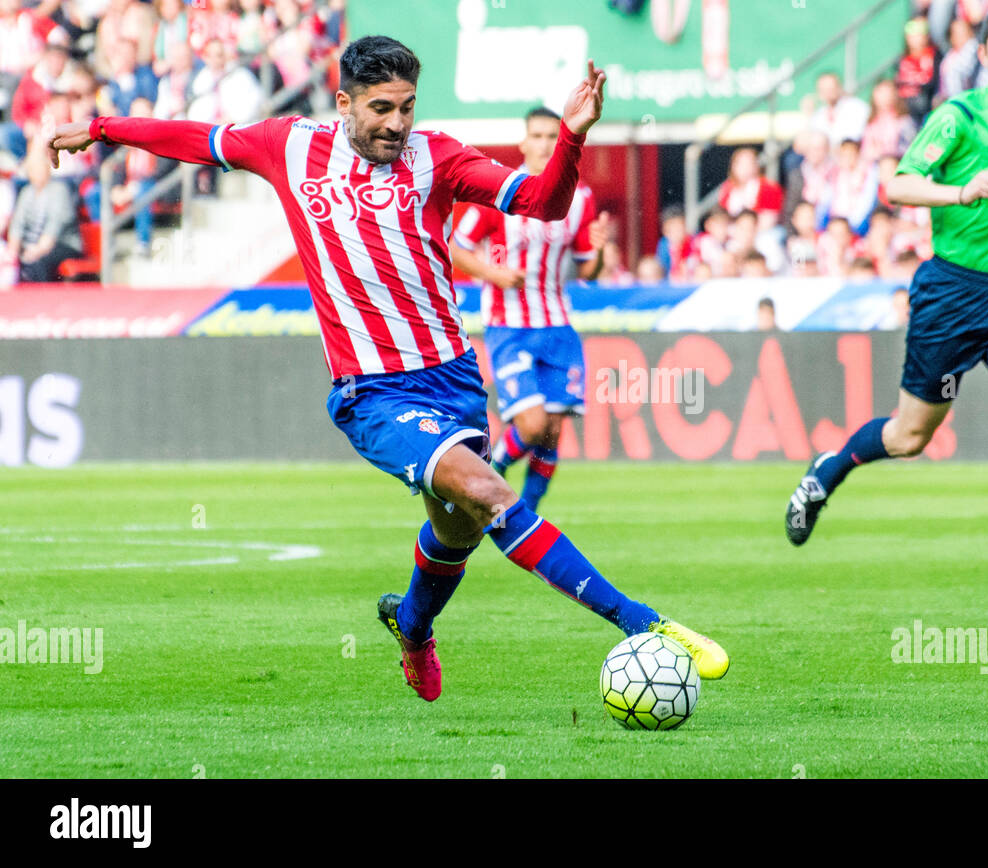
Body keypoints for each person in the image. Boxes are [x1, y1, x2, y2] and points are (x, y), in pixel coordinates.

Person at [48, 36, 729, 702]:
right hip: (371, 392)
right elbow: (196, 137)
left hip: (455, 379)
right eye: (381, 108)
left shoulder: (439, 159)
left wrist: (574, 138)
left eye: (406, 106)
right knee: (490, 495)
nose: (397, 123)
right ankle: (643, 621)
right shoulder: (289, 145)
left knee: (457, 529)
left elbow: (543, 204)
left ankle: (411, 624)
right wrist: (103, 129)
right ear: (344, 101)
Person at [784, 7, 988, 619]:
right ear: (983, 54)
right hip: (952, 295)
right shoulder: (957, 116)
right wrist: (958, 192)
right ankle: (829, 468)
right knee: (910, 436)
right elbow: (900, 185)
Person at [450, 106, 609, 511]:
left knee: (553, 432)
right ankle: (492, 479)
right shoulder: (500, 191)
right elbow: (456, 249)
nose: (543, 145)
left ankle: (528, 514)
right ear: (523, 142)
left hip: (557, 323)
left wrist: (602, 246)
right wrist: (495, 274)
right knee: (533, 424)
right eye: (536, 136)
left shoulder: (581, 197)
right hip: (509, 324)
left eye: (551, 138)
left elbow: (589, 269)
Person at [7, 144, 81, 283]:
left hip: (62, 244)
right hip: (33, 244)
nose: (37, 172)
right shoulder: (27, 192)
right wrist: (12, 251)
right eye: (33, 169)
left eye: (40, 168)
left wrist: (38, 250)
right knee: (14, 261)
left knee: (39, 262)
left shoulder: (59, 190)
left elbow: (55, 225)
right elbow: (18, 223)